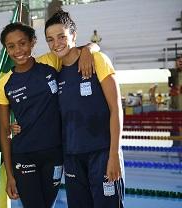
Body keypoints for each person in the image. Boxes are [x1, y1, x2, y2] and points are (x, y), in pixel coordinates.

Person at [0, 22, 96, 208]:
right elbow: (4, 131)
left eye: (22, 43)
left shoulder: (50, 61)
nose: (18, 50)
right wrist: (9, 174)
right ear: (6, 49)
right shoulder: (3, 84)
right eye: (11, 46)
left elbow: (82, 48)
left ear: (33, 42)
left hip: (54, 154)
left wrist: (89, 49)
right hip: (23, 155)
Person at [45, 10, 124, 208]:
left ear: (74, 35)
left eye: (62, 36)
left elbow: (116, 109)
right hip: (72, 157)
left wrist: (114, 154)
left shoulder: (98, 61)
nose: (57, 44)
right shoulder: (55, 71)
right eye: (50, 39)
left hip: (103, 154)